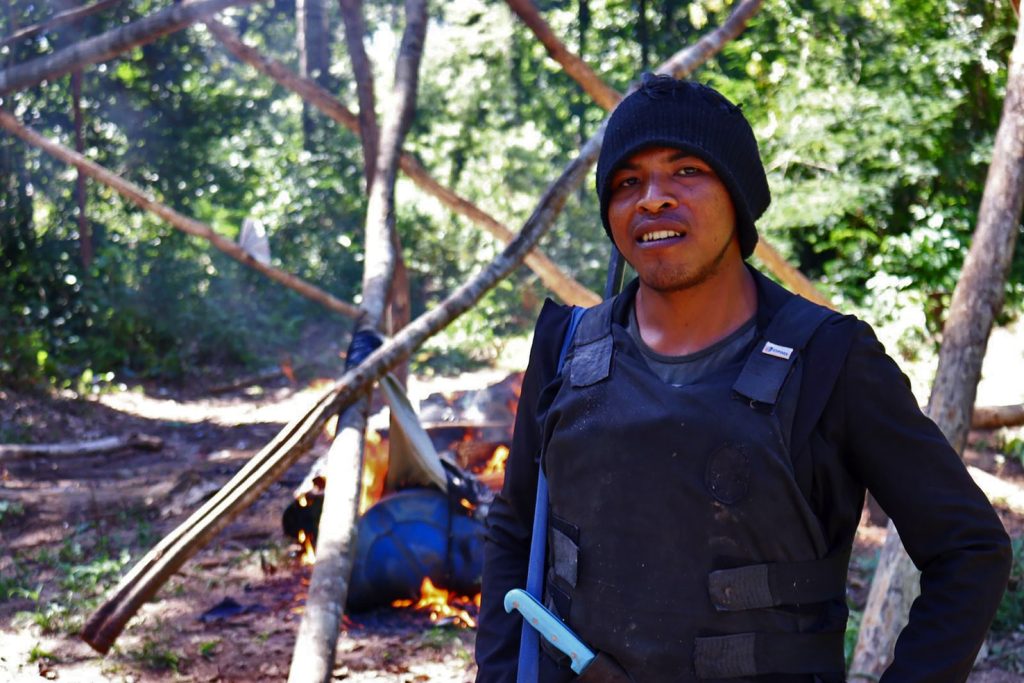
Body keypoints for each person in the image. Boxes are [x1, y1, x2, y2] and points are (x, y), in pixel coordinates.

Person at [474, 74, 1012, 683]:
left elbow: (970, 552)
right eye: (628, 182)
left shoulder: (832, 360)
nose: (652, 198)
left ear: (738, 196)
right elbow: (516, 527)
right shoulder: (567, 347)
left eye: (686, 172)